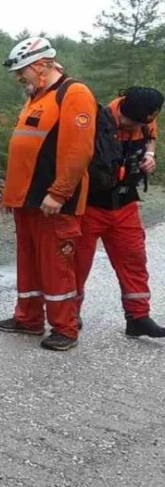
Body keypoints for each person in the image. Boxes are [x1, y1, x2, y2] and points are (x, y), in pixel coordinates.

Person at [0, 37, 96, 351]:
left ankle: (65, 328)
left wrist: (59, 193)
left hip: (53, 202)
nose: (18, 77)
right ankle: (28, 318)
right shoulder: (37, 97)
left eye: (21, 70)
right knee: (29, 262)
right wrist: (12, 196)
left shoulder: (74, 93)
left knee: (55, 265)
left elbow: (79, 150)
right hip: (27, 201)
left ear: (40, 65)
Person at [76, 87, 165, 338]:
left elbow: (151, 136)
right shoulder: (95, 120)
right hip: (89, 205)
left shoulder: (146, 117)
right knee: (76, 263)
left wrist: (149, 154)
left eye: (140, 123)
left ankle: (138, 317)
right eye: (131, 123)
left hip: (125, 203)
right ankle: (68, 314)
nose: (134, 127)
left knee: (134, 259)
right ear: (123, 109)